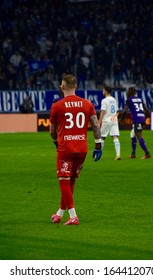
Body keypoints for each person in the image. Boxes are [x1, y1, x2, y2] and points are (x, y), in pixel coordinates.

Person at [49, 74, 102, 225]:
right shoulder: (87, 104)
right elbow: (96, 125)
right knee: (70, 180)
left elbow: (52, 130)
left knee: (63, 180)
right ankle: (59, 213)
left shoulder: (57, 105)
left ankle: (73, 216)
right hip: (82, 148)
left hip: (66, 148)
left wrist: (56, 142)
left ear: (63, 87)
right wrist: (98, 145)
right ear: (76, 87)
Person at [119, 86, 151, 159]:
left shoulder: (129, 100)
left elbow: (125, 111)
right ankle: (133, 154)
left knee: (139, 136)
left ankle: (147, 153)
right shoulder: (139, 99)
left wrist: (121, 119)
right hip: (141, 118)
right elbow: (147, 110)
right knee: (132, 134)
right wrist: (145, 118)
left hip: (137, 119)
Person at [99, 86, 121, 160]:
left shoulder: (104, 100)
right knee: (115, 137)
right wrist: (115, 118)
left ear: (106, 91)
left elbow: (103, 111)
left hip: (107, 120)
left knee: (102, 137)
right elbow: (117, 111)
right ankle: (118, 155)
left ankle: (99, 154)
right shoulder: (114, 100)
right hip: (114, 119)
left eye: (103, 90)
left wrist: (99, 121)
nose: (102, 91)